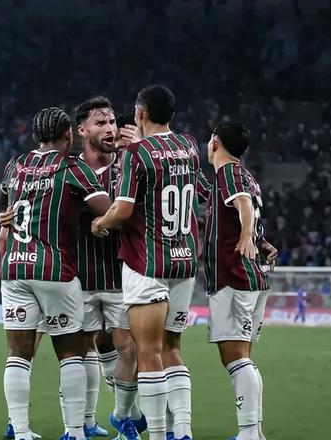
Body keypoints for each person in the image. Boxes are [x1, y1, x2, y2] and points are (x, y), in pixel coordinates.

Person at [93, 84, 199, 440]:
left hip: (147, 262)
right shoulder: (189, 144)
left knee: (148, 351)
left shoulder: (136, 152)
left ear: (139, 114)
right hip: (184, 262)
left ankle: (155, 434)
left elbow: (122, 210)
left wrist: (100, 223)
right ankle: (182, 430)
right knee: (172, 349)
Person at [0, 107, 112, 440]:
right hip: (54, 270)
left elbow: (5, 217)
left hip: (15, 268)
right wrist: (95, 221)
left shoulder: (14, 166)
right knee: (71, 353)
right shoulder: (73, 167)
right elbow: (108, 212)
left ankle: (20, 431)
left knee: (17, 355)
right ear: (68, 135)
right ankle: (74, 432)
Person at [73, 97, 145, 439]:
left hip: (124, 273)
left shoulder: (131, 164)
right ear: (82, 130)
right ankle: (84, 422)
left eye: (113, 121)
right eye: (100, 123)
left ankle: (124, 416)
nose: (110, 128)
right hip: (80, 275)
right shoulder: (69, 168)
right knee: (94, 348)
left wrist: (140, 150)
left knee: (129, 346)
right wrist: (5, 217)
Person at [203, 122, 277, 440]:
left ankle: (248, 434)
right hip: (252, 275)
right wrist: (260, 241)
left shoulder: (229, 174)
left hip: (234, 276)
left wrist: (247, 237)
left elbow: (243, 206)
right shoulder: (246, 177)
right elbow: (244, 208)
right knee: (242, 357)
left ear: (216, 143)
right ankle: (253, 431)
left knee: (233, 357)